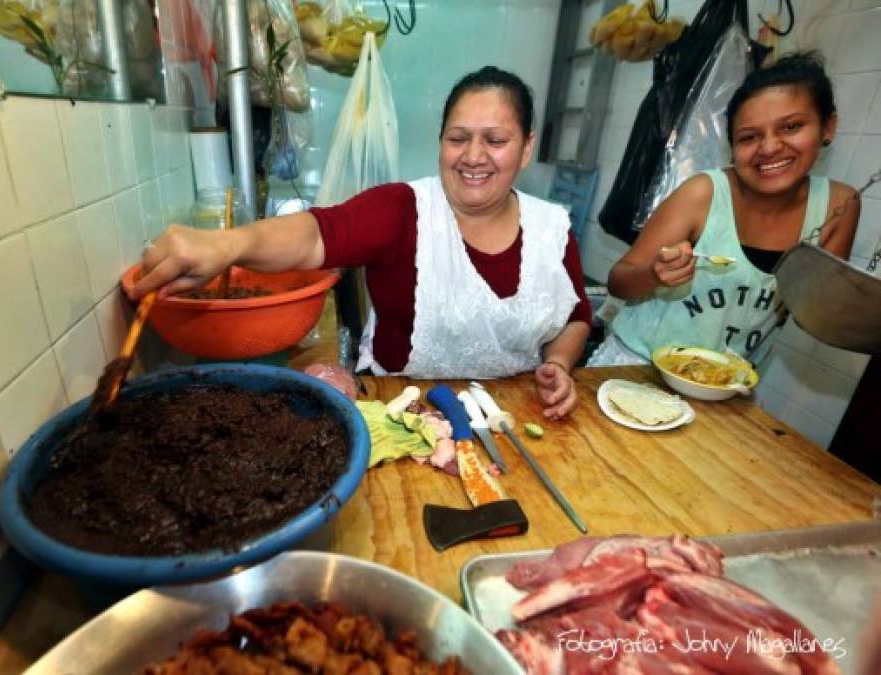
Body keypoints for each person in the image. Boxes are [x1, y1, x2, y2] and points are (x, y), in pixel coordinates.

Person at [130, 66, 592, 419]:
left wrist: (559, 363)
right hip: (404, 413)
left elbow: (575, 316)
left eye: (495, 140)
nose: (473, 156)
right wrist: (228, 245)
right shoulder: (401, 209)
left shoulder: (552, 227)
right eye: (458, 138)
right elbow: (317, 233)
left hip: (517, 414)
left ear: (526, 148)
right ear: (441, 142)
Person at [589, 52, 861, 366]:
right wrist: (654, 275)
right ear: (732, 146)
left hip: (727, 384)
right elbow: (619, 281)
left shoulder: (839, 206)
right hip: (639, 365)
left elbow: (813, 316)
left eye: (791, 127)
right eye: (749, 137)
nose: (770, 147)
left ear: (828, 127)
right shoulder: (703, 193)